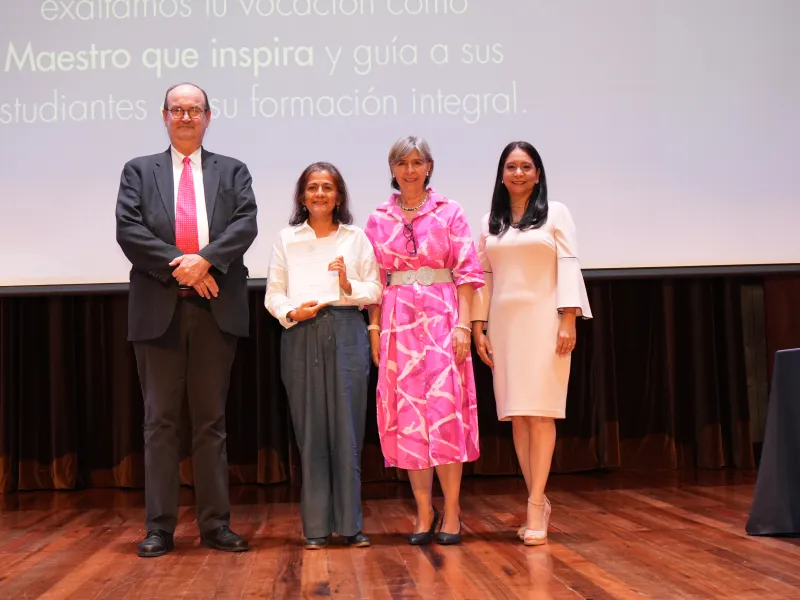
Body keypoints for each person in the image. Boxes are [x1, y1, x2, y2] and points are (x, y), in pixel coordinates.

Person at [115, 82, 257, 557]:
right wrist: (186, 264)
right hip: (159, 310)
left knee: (210, 424)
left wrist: (207, 261)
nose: (186, 116)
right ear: (164, 116)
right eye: (177, 109)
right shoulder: (139, 170)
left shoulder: (232, 170)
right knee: (159, 423)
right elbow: (128, 229)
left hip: (215, 312)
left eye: (194, 110)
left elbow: (245, 224)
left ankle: (216, 526)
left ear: (209, 117)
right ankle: (159, 528)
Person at [471, 141, 592, 546]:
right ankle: (535, 496)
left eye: (526, 166)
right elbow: (482, 278)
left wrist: (568, 318)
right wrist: (477, 326)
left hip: (546, 323)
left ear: (538, 173)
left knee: (541, 414)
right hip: (504, 327)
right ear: (501, 175)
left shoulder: (556, 213)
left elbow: (569, 265)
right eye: (511, 167)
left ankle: (536, 504)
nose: (518, 173)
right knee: (518, 417)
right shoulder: (490, 221)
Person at [364, 135, 484, 546]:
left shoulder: (450, 211)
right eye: (403, 163)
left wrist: (465, 325)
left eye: (417, 162)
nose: (410, 170)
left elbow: (468, 272)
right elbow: (374, 281)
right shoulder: (378, 217)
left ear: (429, 167)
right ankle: (422, 511)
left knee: (446, 414)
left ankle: (451, 511)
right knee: (410, 415)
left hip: (443, 317)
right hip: (398, 323)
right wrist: (375, 330)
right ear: (393, 168)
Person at [265, 162, 381, 550]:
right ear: (302, 196)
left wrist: (348, 284)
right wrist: (292, 313)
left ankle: (350, 526)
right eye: (312, 188)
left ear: (339, 196)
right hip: (301, 334)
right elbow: (274, 293)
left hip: (347, 331)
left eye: (327, 188)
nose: (319, 194)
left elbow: (375, 291)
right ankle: (315, 527)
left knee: (346, 430)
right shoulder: (287, 238)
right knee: (310, 430)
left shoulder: (356, 237)